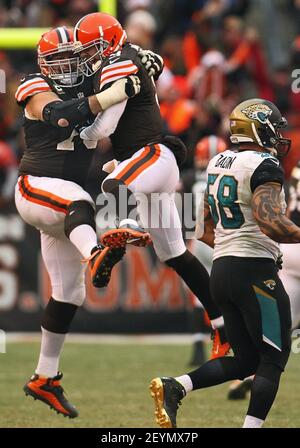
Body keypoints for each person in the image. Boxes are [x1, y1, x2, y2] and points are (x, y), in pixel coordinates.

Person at [15, 25, 163, 418]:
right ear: (43, 63)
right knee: (80, 201)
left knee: (70, 294)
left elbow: (131, 95)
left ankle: (45, 378)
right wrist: (116, 90)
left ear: (83, 55)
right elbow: (60, 116)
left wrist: (147, 71)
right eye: (56, 61)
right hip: (35, 186)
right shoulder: (32, 84)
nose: (65, 67)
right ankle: (96, 251)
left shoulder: (95, 78)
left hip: (65, 203)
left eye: (71, 58)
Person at [74, 12, 230, 358]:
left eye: (91, 49)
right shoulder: (125, 59)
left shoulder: (119, 63)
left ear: (110, 43)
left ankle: (127, 228)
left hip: (154, 154)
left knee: (113, 184)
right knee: (175, 255)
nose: (87, 56)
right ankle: (223, 327)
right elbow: (149, 69)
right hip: (147, 160)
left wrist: (79, 133)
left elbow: (103, 126)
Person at [150, 98, 295, 428]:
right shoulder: (265, 165)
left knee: (246, 360)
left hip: (223, 271)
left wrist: (237, 248)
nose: (278, 134)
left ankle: (176, 386)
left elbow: (202, 227)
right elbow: (272, 222)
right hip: (254, 273)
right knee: (273, 358)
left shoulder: (218, 161)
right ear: (259, 127)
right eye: (275, 127)